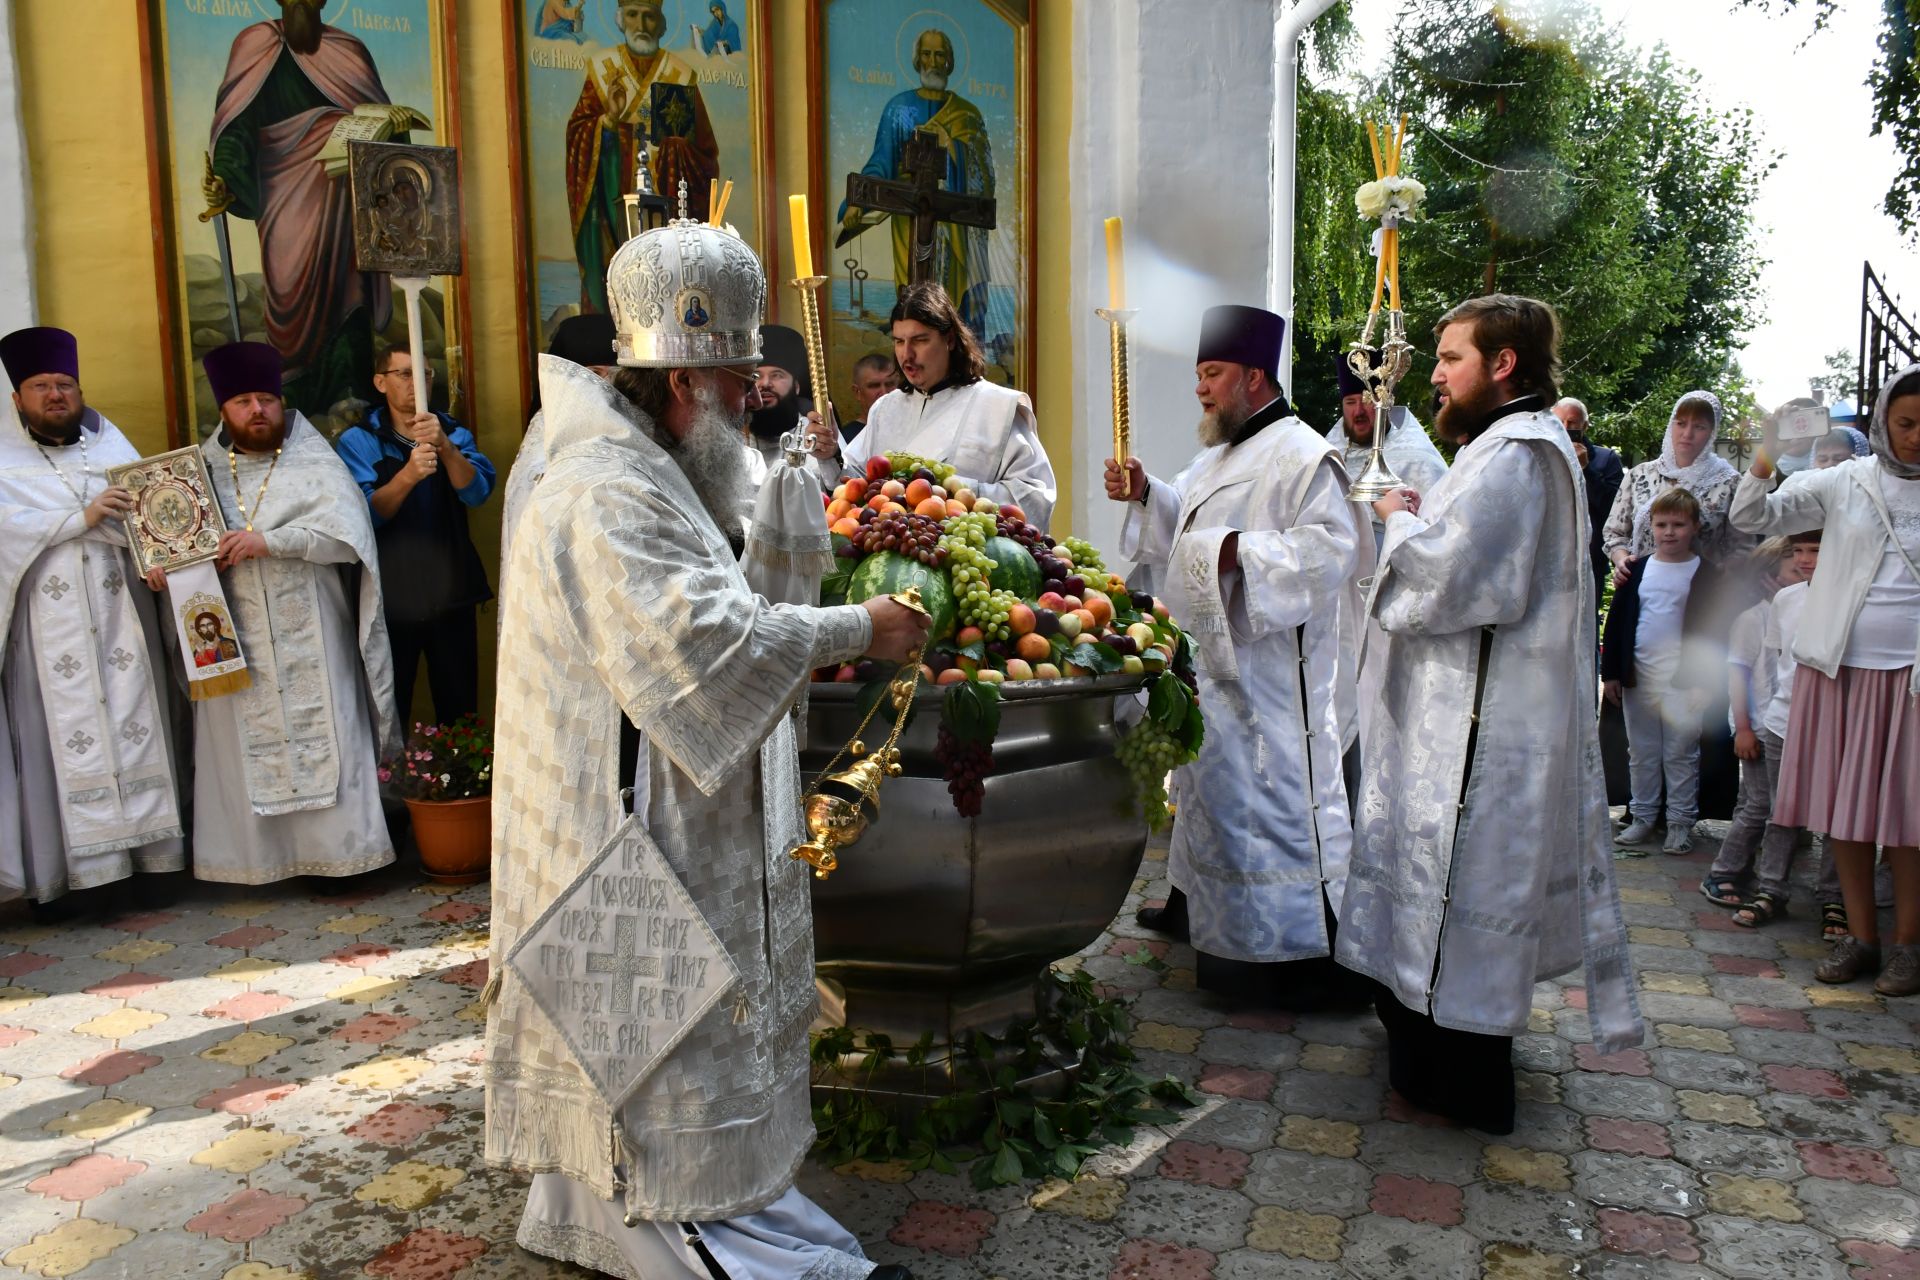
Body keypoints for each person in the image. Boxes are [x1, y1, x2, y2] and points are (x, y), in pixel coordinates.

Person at [489, 217, 926, 1279]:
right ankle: (683, 1234)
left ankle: (682, 1212)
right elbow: (701, 645)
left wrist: (783, 522)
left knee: (654, 1045)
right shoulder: (604, 486)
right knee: (653, 1049)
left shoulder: (649, 466)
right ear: (683, 385)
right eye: (735, 382)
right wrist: (859, 629)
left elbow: (716, 591)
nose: (746, 400)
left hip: (661, 793)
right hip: (630, 820)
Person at [1338, 294, 1643, 1133]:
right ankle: (1424, 1052)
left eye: (1450, 358)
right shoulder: (1497, 447)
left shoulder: (1518, 453)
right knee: (1433, 890)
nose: (1433, 375)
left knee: (1461, 893)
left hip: (1483, 731)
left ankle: (1462, 1086)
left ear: (1502, 364)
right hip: (1457, 719)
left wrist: (1396, 522)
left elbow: (1456, 581)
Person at [1106, 305, 1372, 1008]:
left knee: (1275, 810)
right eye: (1199, 373)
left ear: (1255, 377)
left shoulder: (1303, 454)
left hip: (1273, 684)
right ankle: (1209, 925)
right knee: (1210, 801)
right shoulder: (1216, 457)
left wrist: (1231, 553)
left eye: (1212, 373)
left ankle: (1292, 960)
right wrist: (1147, 494)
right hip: (1215, 677)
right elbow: (1181, 523)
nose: (1201, 388)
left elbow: (1330, 550)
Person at [171, 342, 398, 886]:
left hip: (314, 628)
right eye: (244, 401)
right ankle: (256, 862)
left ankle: (344, 857)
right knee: (239, 741)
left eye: (266, 399)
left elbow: (351, 541)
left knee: (331, 729)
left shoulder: (316, 463)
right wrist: (166, 567)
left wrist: (271, 542)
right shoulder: (197, 474)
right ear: (224, 410)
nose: (257, 411)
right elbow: (175, 548)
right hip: (235, 634)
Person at [1729, 367, 1920, 996]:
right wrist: (1768, 448)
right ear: (1884, 424)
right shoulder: (1846, 481)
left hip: (1912, 679)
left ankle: (1908, 947)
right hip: (1837, 669)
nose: (1916, 436)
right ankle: (1860, 941)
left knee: (1906, 819)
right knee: (1845, 816)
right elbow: (1752, 516)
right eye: (1906, 423)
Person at [0, 327, 185, 906]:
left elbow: (151, 522)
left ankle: (150, 867)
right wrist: (81, 517)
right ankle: (70, 882)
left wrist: (154, 559)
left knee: (136, 723)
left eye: (65, 385)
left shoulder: (110, 447)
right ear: (17, 398)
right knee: (54, 740)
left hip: (118, 616)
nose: (56, 395)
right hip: (42, 627)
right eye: (41, 386)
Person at [203, 0, 428, 418]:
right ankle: (293, 401)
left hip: (346, 199)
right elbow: (238, 125)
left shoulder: (350, 50)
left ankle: (353, 395)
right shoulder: (254, 44)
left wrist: (392, 126)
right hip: (283, 194)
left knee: (351, 291)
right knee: (290, 289)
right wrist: (227, 177)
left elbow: (385, 136)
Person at [336, 346, 495, 725]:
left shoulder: (453, 432)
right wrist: (408, 474)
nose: (416, 383)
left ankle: (464, 778)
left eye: (424, 374)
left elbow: (477, 493)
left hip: (452, 587)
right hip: (391, 594)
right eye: (404, 374)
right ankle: (392, 779)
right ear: (380, 382)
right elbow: (364, 517)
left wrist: (445, 448)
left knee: (459, 701)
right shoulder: (357, 441)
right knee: (391, 700)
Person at [810, 283, 1055, 528]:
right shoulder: (886, 409)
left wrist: (951, 491)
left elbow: (1035, 497)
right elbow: (852, 491)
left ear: (949, 339)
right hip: (891, 554)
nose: (907, 355)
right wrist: (830, 454)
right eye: (898, 341)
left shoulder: (998, 406)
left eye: (919, 340)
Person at [564, 0, 719, 313]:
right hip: (614, 208)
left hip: (666, 211)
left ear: (661, 23)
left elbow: (705, 155)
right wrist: (607, 122)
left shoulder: (680, 75)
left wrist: (676, 149)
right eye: (633, 15)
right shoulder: (602, 68)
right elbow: (578, 137)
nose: (641, 25)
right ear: (620, 20)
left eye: (649, 16)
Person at [839, 30, 993, 333]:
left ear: (949, 61)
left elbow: (982, 177)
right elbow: (882, 160)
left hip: (952, 221)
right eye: (926, 54)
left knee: (948, 300)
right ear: (916, 59)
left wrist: (952, 146)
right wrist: (856, 202)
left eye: (939, 55)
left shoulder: (968, 115)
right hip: (908, 215)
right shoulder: (899, 109)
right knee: (912, 285)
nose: (932, 62)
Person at [1600, 489, 1726, 854]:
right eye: (1661, 524)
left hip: (1684, 684)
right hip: (1640, 678)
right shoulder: (1636, 570)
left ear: (1695, 527)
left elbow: (1715, 630)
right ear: (1650, 527)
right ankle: (1642, 816)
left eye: (1678, 524)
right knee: (1641, 751)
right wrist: (1612, 673)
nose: (1669, 532)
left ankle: (1679, 822)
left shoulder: (1706, 574)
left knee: (1681, 753)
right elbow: (1618, 622)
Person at [501, 313, 618, 611]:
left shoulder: (617, 424)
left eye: (615, 374)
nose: (608, 385)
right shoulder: (547, 430)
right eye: (596, 373)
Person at [1603, 391, 1743, 577]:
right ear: (1671, 425)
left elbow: (1742, 547)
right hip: (1641, 584)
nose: (1687, 434)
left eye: (1699, 426)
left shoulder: (1729, 482)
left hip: (1701, 595)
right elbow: (1614, 533)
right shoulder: (1640, 474)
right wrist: (1622, 561)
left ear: (1712, 432)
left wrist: (1719, 578)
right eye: (1681, 423)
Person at [1326, 353, 1448, 553]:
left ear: (1385, 404)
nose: (1358, 412)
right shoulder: (1329, 455)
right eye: (1350, 402)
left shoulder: (1420, 461)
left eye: (1367, 400)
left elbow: (1438, 538)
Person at [1554, 396, 1625, 609]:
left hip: (1589, 562)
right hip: (1552, 560)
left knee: (1585, 628)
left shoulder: (1606, 459)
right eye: (1560, 422)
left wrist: (1586, 469)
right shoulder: (1545, 456)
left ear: (1584, 425)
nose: (1566, 428)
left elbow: (1613, 507)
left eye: (1572, 423)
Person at [745, 324, 810, 469]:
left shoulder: (813, 434)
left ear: (797, 387)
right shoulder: (737, 435)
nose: (765, 383)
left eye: (777, 375)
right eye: (756, 376)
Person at [841, 353, 902, 445]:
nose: (884, 392)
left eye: (890, 384)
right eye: (874, 386)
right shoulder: (845, 440)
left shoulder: (912, 430)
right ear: (857, 392)